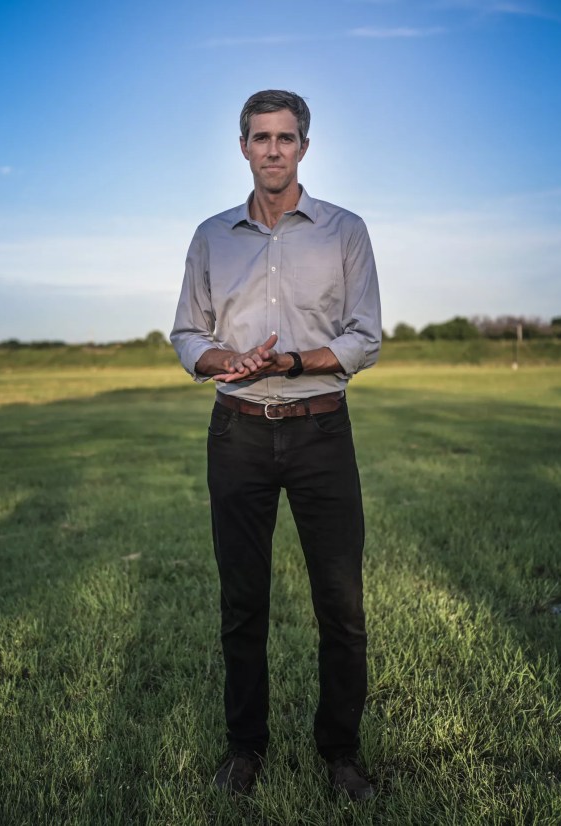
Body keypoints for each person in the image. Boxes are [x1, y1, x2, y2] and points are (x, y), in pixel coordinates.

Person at [170, 89, 382, 801]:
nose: (272, 149)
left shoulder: (343, 231)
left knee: (341, 605)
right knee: (242, 602)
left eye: (285, 138)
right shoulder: (209, 236)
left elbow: (364, 337)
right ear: (242, 147)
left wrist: (293, 361)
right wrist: (217, 362)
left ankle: (341, 756)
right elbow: (186, 333)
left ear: (303, 148)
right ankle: (243, 750)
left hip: (321, 429)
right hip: (236, 432)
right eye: (259, 137)